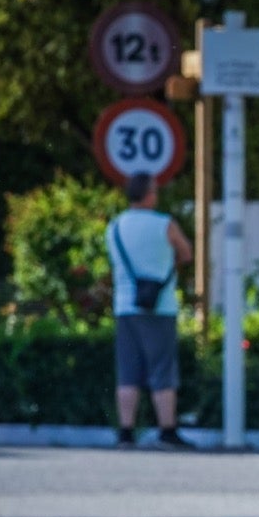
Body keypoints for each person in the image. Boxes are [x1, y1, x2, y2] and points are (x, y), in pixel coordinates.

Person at [106, 172, 195, 450]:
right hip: (161, 307)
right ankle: (167, 429)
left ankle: (126, 431)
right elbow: (187, 253)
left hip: (125, 307)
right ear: (149, 194)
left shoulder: (115, 227)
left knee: (128, 370)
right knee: (162, 369)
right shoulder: (164, 224)